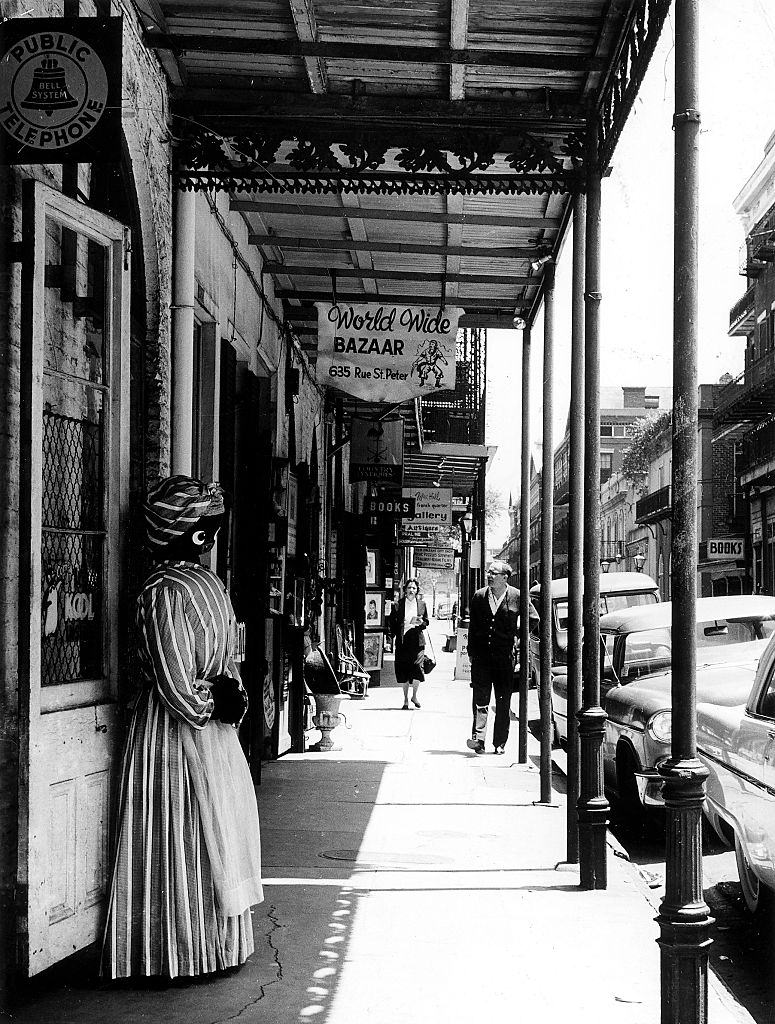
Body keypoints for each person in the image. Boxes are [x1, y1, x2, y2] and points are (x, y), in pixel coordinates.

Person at [102, 475, 264, 980]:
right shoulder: (211, 586)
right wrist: (226, 701)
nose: (209, 541)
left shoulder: (163, 590)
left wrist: (206, 702)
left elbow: (176, 686)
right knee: (208, 830)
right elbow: (230, 665)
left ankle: (173, 952)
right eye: (206, 533)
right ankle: (214, 947)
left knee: (173, 835)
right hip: (215, 734)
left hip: (170, 734)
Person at [465, 559, 538, 755]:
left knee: (503, 700)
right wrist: (471, 652)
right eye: (488, 572)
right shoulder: (479, 596)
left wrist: (518, 637)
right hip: (481, 657)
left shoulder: (516, 596)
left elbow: (533, 618)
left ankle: (500, 742)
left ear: (505, 577)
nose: (489, 575)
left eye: (493, 573)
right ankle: (478, 739)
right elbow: (473, 627)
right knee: (480, 699)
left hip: (505, 658)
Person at [388, 578, 429, 709]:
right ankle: (405, 699)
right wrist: (391, 637)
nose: (412, 590)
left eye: (414, 588)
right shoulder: (398, 605)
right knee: (403, 670)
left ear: (417, 591)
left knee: (417, 668)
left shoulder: (422, 604)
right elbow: (392, 624)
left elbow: (426, 622)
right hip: (403, 641)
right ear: (405, 590)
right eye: (409, 588)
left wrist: (420, 623)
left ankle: (414, 695)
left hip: (417, 641)